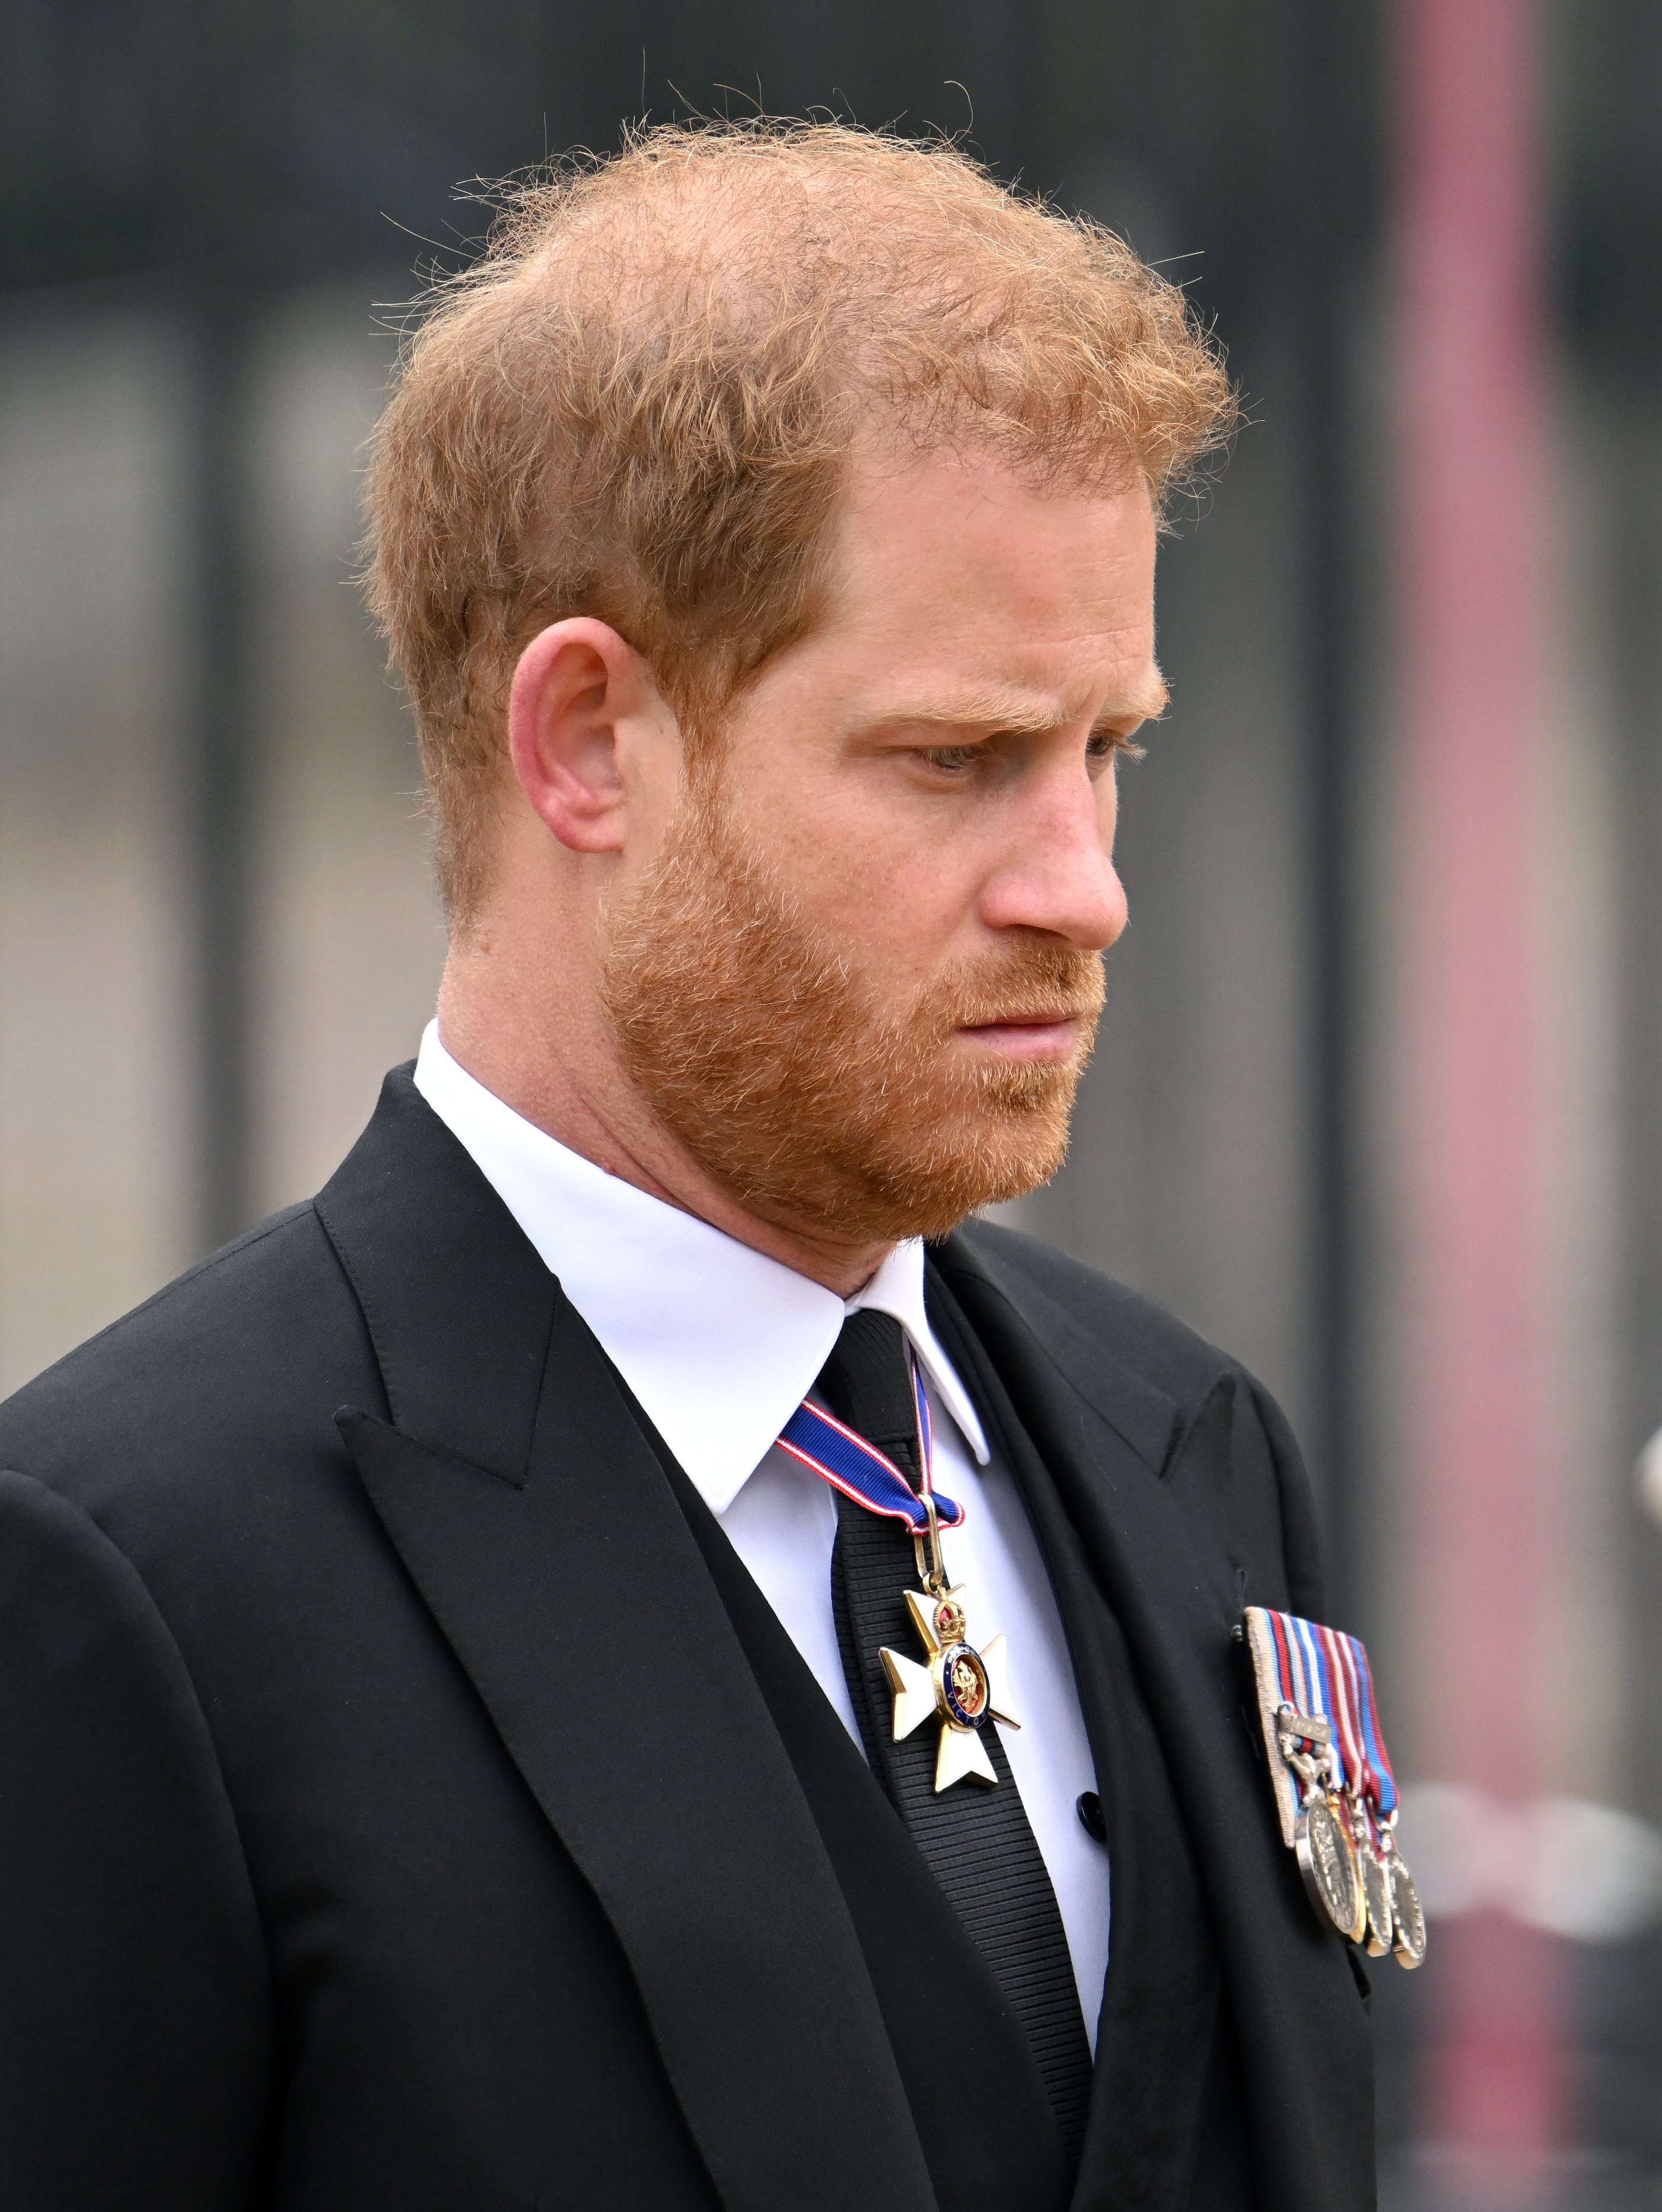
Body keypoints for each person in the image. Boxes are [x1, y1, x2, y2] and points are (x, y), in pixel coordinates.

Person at [0, 122, 1374, 2211]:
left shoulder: (1189, 1447)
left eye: (1111, 751)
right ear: (584, 742)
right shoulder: (130, 1583)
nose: (1084, 887)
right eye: (956, 758)